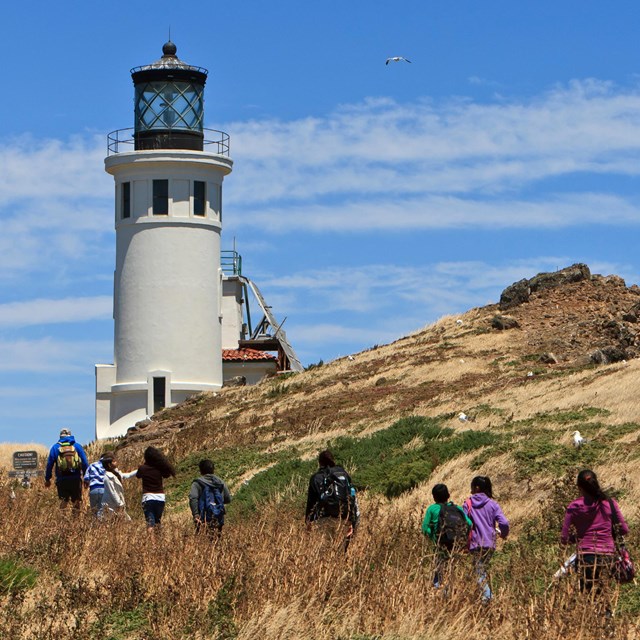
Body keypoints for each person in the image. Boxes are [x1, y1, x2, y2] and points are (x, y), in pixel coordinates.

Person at [561, 469, 629, 593]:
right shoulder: (609, 503)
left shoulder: (574, 506)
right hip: (608, 556)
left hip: (585, 557)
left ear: (579, 487)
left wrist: (578, 537)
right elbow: (624, 529)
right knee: (605, 594)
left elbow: (564, 538)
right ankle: (607, 612)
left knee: (588, 596)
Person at [464, 476, 509, 602]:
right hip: (490, 544)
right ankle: (485, 597)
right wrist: (503, 534)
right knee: (481, 569)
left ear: (476, 488)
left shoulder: (468, 504)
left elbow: (464, 523)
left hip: (475, 544)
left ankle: (487, 598)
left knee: (479, 571)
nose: (471, 490)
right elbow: (504, 522)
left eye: (472, 487)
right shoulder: (492, 504)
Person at [305, 450, 359, 549]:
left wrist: (308, 521)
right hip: (343, 518)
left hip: (324, 518)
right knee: (339, 551)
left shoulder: (316, 478)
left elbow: (311, 502)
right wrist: (352, 520)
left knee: (324, 552)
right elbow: (352, 496)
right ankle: (340, 564)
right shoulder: (342, 474)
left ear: (320, 462)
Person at [422, 483, 472, 588]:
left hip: (440, 544)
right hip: (456, 545)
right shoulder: (457, 508)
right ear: (448, 495)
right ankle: (450, 592)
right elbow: (469, 524)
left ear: (434, 497)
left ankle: (438, 591)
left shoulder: (432, 509)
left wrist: (434, 537)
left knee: (439, 570)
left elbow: (425, 528)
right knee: (452, 570)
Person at [134, 446, 176, 532]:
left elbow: (138, 476)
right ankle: (159, 541)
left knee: (150, 523)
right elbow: (166, 475)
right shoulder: (159, 468)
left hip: (148, 497)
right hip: (160, 497)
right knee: (157, 521)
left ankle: (153, 545)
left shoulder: (143, 468)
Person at [44, 428, 89, 509]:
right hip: (75, 478)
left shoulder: (55, 447)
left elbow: (49, 464)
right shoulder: (77, 446)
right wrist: (87, 478)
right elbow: (85, 463)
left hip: (62, 479)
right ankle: (76, 520)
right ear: (70, 435)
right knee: (76, 501)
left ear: (60, 436)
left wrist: (47, 479)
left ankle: (62, 520)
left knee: (64, 501)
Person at [188, 459, 232, 536]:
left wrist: (196, 515)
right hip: (218, 516)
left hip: (202, 518)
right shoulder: (220, 482)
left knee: (202, 542)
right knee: (216, 541)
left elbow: (193, 498)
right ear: (213, 470)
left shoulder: (197, 483)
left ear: (201, 471)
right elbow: (228, 499)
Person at [100, 455, 135, 521]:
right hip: (110, 503)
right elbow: (112, 492)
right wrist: (119, 503)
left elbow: (128, 475)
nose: (116, 462)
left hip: (116, 503)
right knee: (118, 521)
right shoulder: (107, 477)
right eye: (114, 461)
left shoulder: (115, 474)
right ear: (109, 465)